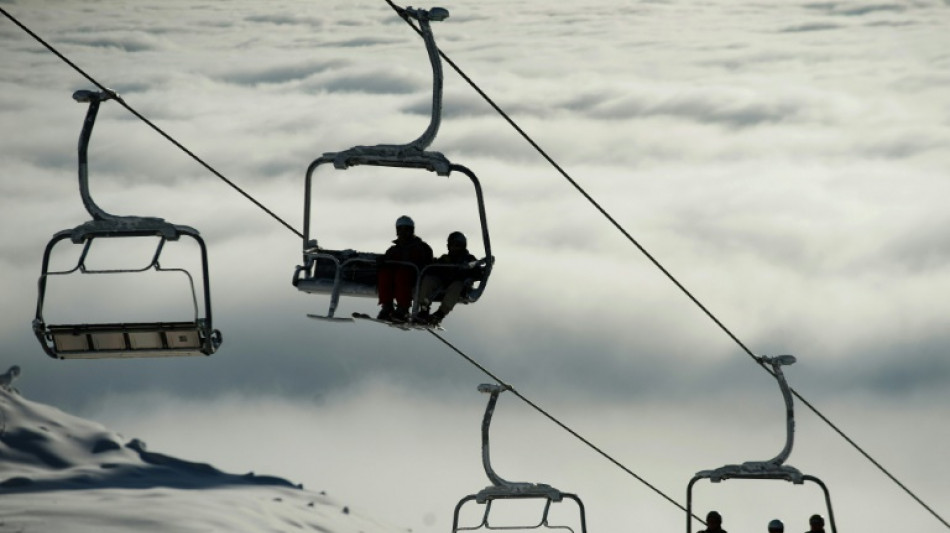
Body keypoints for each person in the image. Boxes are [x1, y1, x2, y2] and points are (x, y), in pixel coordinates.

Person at [377, 215, 432, 322]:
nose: (403, 232)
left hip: (414, 277)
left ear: (411, 231)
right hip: (397, 276)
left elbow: (427, 264)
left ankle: (403, 308)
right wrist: (382, 261)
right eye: (400, 229)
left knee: (402, 274)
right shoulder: (393, 249)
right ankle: (387, 306)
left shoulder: (422, 247)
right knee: (385, 273)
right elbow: (387, 263)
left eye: (406, 229)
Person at [416, 231, 478, 326]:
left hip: (460, 285)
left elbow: (476, 271)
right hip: (444, 282)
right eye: (451, 245)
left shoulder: (469, 259)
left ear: (463, 246)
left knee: (456, 286)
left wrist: (470, 274)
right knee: (429, 280)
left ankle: (440, 314)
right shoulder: (445, 258)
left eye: (457, 245)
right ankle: (424, 308)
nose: (454, 248)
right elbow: (434, 269)